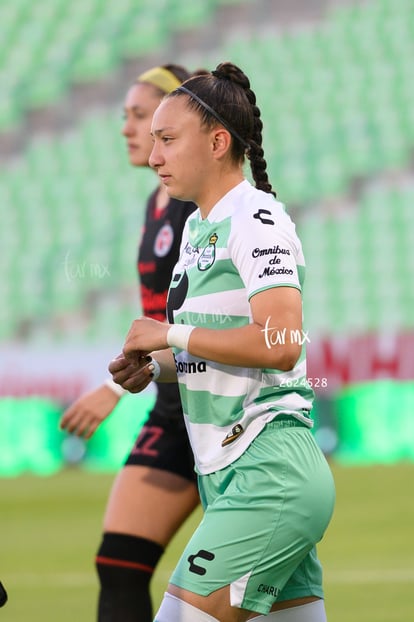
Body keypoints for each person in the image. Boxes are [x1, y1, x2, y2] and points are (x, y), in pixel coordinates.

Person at [109, 61, 336, 622]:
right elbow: (219, 348)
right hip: (229, 476)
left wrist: (169, 332)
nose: (154, 155)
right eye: (153, 140)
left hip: (268, 473)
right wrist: (157, 366)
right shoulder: (196, 227)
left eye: (167, 139)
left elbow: (281, 342)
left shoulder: (255, 218)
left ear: (217, 141)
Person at [60, 65, 202, 622]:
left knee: (249, 594)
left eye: (141, 116)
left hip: (223, 410)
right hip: (173, 409)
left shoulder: (207, 207)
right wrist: (121, 379)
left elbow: (203, 323)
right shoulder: (157, 205)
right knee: (118, 565)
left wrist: (110, 389)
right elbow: (154, 319)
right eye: (126, 117)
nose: (127, 128)